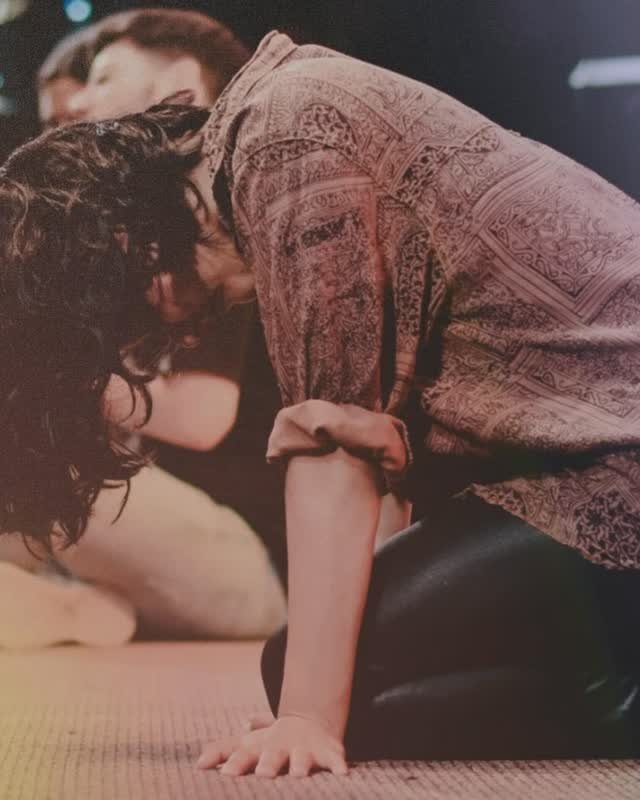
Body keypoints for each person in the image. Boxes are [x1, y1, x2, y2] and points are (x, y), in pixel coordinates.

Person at [1, 30, 639, 775]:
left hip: (613, 468)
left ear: (126, 250)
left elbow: (334, 447)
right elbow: (384, 461)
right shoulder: (270, 134)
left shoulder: (284, 142)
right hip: (584, 460)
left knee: (321, 688)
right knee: (345, 677)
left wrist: (308, 717)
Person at [0, 10, 287, 645]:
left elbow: (203, 417)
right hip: (146, 533)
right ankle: (74, 609)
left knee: (46, 462)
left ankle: (67, 606)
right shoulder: (128, 236)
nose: (80, 109)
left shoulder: (214, 228)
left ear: (179, 84)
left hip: (244, 561)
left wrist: (40, 373)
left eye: (102, 81)